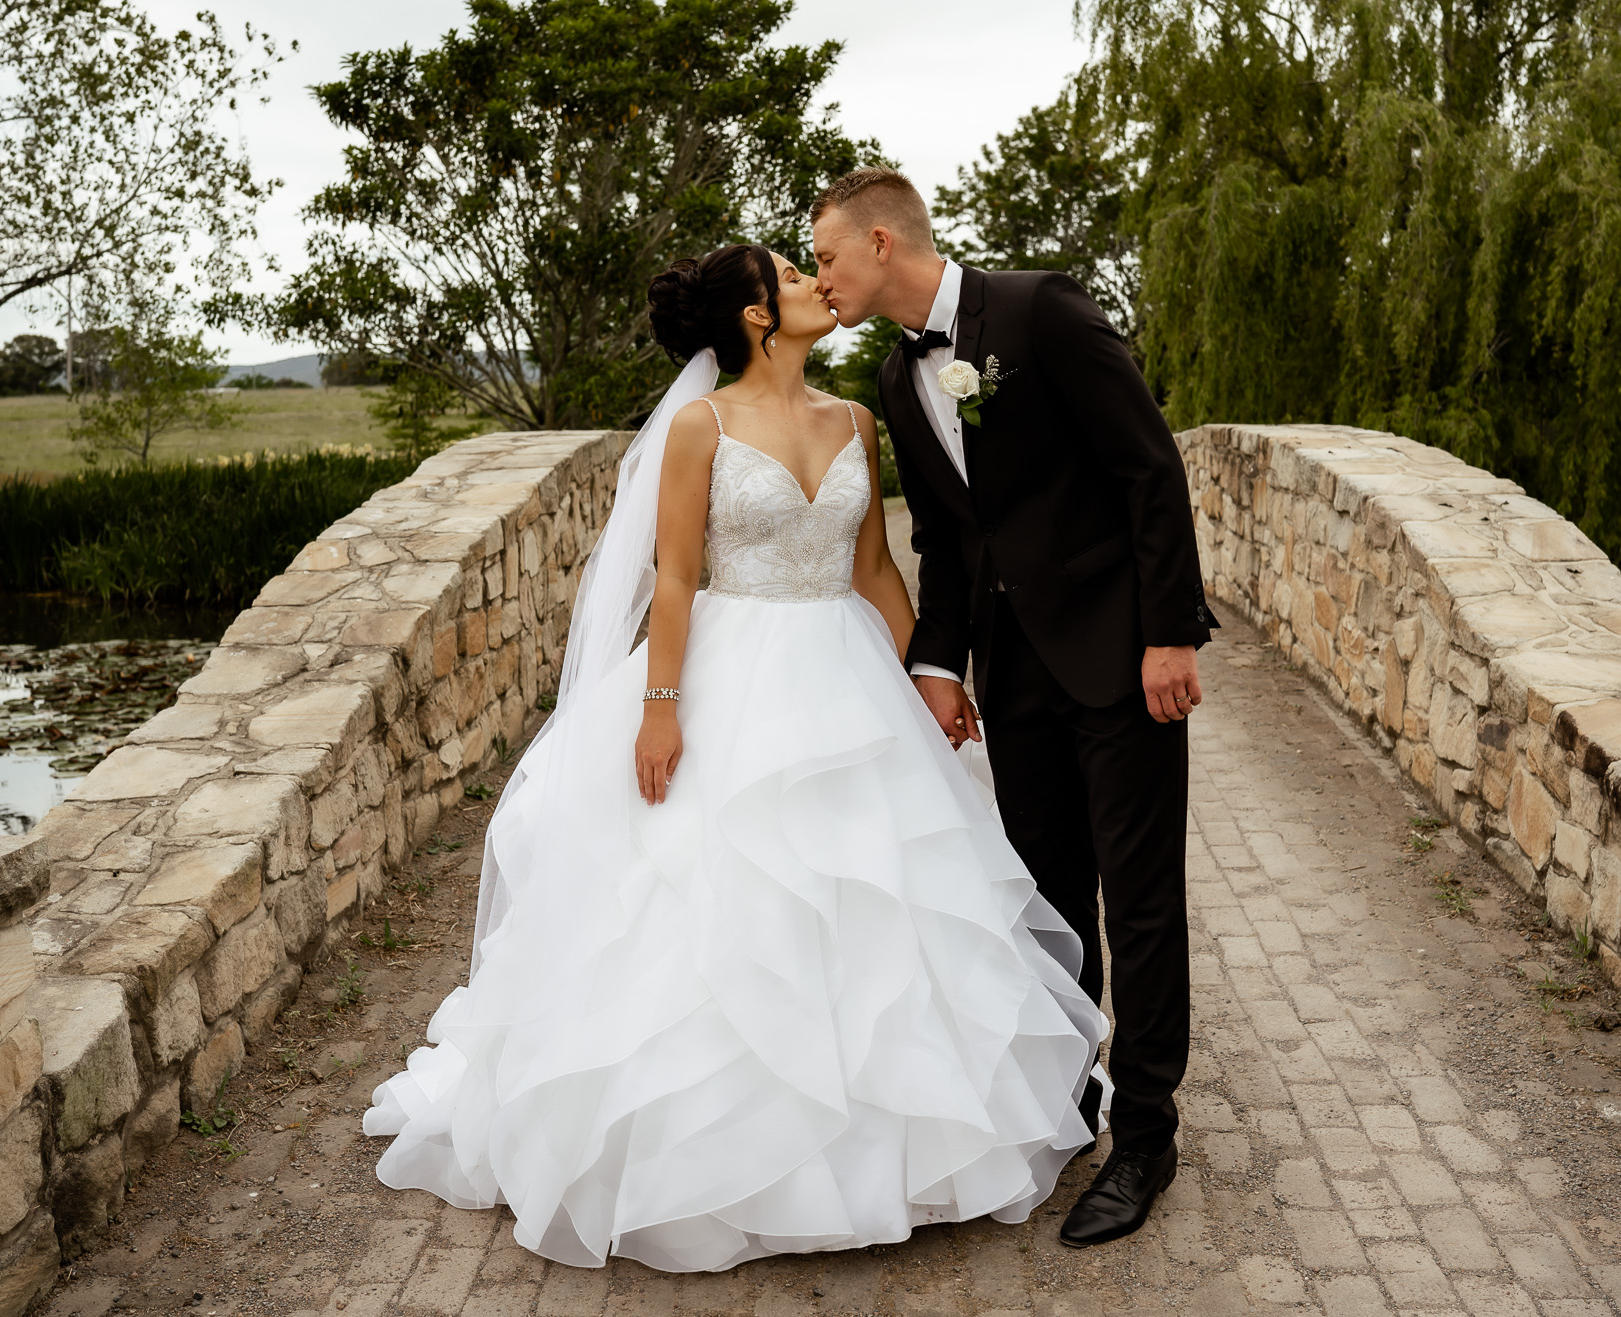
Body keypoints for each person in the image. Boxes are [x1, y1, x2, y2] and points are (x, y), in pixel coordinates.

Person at [362, 242, 1107, 1273]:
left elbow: (874, 565)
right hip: (730, 671)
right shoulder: (697, 427)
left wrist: (931, 675)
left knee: (877, 893)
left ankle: (888, 1143)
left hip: (846, 673)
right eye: (791, 279)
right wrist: (660, 709)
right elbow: (673, 581)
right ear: (755, 317)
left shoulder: (852, 420)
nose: (813, 285)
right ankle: (719, 1161)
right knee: (726, 894)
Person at [811, 167, 1217, 1248]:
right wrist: (936, 664)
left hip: (1123, 660)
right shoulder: (896, 382)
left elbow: (1147, 469)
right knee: (1046, 896)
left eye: (826, 256)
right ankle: (1062, 1099)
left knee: (1137, 906)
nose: (820, 277)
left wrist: (1169, 630)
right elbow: (950, 540)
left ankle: (1144, 1136)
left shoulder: (1038, 310)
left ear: (884, 243)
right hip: (1014, 677)